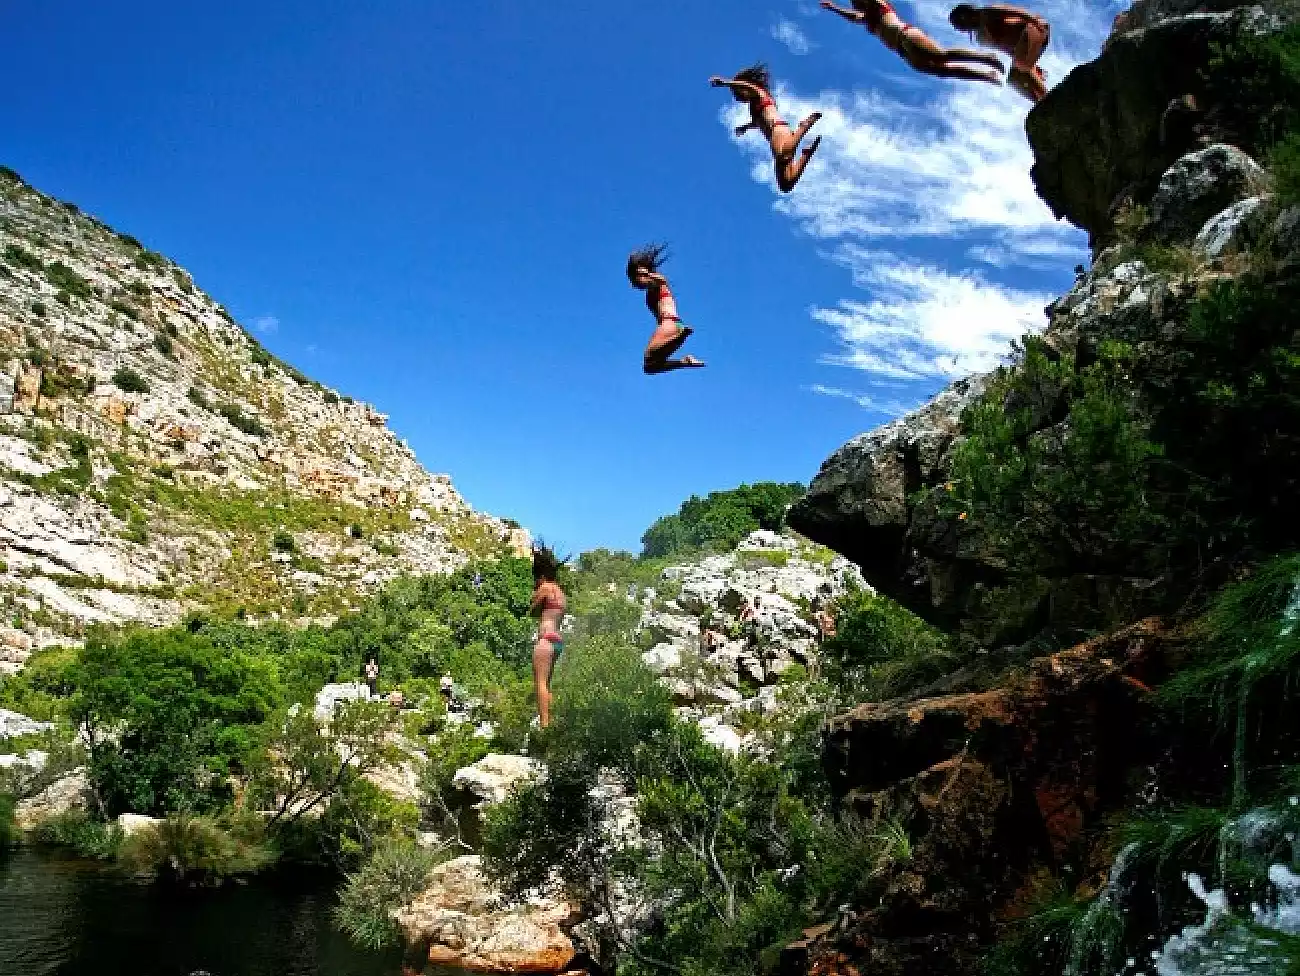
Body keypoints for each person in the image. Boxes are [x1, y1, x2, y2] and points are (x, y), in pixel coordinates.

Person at [821, 0, 1004, 87]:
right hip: (902, 51)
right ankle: (986, 75)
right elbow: (854, 17)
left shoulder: (878, 5)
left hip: (906, 35)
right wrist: (833, 8)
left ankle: (988, 57)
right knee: (942, 70)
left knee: (941, 55)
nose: (855, 5)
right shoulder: (866, 17)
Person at [710, 64, 823, 193]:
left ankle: (803, 127)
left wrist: (726, 82)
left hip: (778, 129)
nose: (737, 98)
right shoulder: (753, 107)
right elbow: (758, 123)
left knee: (783, 155)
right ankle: (806, 154)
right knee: (786, 185)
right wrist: (745, 127)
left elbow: (748, 86)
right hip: (774, 139)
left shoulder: (759, 92)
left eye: (737, 93)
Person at [626, 244, 705, 374]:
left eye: (634, 279)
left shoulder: (657, 283)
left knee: (648, 355)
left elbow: (661, 280)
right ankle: (685, 361)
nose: (634, 284)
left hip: (669, 323)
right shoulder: (650, 292)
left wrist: (645, 272)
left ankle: (681, 335)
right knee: (649, 368)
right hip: (673, 327)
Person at [948, 4, 1051, 102]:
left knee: (1021, 65)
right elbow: (1008, 50)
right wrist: (1031, 65)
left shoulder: (987, 13)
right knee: (1014, 79)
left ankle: (1049, 99)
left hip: (1034, 28)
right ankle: (1040, 102)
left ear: (966, 15)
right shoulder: (981, 38)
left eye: (958, 22)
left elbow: (1016, 12)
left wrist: (1035, 22)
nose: (958, 28)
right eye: (956, 26)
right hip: (1024, 46)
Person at [530, 543, 567, 729]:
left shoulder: (545, 588)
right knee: (547, 684)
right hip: (557, 640)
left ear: (542, 575)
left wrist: (535, 593)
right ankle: (552, 722)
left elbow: (532, 610)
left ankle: (545, 725)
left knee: (540, 684)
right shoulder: (561, 592)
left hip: (545, 640)